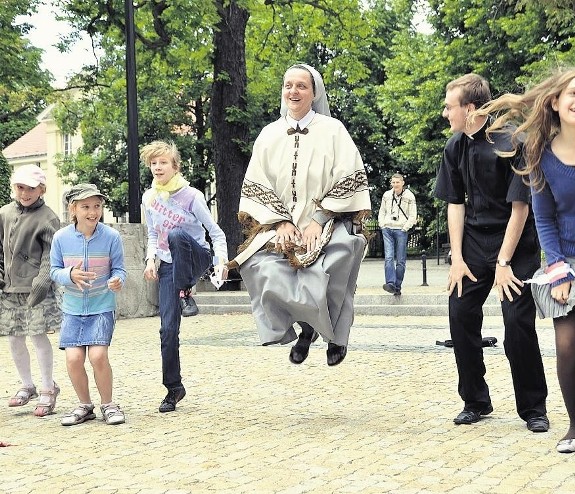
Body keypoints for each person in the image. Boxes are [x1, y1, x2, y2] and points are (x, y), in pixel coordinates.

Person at [476, 67, 575, 459]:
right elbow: (545, 218)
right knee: (566, 345)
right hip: (567, 263)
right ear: (555, 101)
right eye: (573, 93)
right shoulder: (541, 152)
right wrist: (557, 269)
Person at [228, 63, 371, 367]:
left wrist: (318, 221)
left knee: (340, 255)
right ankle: (305, 327)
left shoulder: (334, 130)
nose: (293, 91)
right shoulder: (268, 134)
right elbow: (257, 182)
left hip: (329, 217)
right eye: (288, 85)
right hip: (280, 221)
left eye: (301, 86)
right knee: (257, 265)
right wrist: (281, 222)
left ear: (314, 92)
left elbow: (351, 175)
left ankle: (335, 335)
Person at [434, 73, 549, 432]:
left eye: (449, 106)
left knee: (516, 325)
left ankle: (533, 408)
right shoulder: (454, 147)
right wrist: (457, 257)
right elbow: (455, 204)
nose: (444, 113)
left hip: (514, 246)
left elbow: (521, 209)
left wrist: (503, 262)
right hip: (472, 242)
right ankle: (475, 400)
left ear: (469, 109)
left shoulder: (512, 141)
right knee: (460, 314)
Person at [141, 140, 228, 413]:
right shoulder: (149, 197)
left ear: (174, 166)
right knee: (167, 330)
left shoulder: (192, 196)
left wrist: (221, 262)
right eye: (153, 163)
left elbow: (216, 232)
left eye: (163, 162)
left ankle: (186, 292)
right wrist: (150, 260)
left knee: (178, 235)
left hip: (195, 257)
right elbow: (154, 234)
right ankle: (174, 388)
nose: (157, 167)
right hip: (169, 265)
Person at [50, 184, 127, 426]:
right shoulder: (60, 238)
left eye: (97, 206)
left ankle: (108, 404)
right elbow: (53, 271)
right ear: (73, 209)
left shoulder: (111, 237)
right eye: (86, 207)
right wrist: (70, 275)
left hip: (102, 305)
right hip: (72, 309)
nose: (93, 212)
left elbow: (119, 269)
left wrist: (117, 280)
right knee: (73, 358)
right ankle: (85, 405)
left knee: (98, 355)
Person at [0, 165, 61, 417]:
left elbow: (51, 256)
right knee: (14, 339)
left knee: (37, 337)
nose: (25, 192)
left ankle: (48, 387)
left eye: (31, 188)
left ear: (42, 189)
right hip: (9, 289)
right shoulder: (3, 213)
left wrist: (41, 283)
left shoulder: (48, 218)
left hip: (36, 288)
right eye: (20, 187)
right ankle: (27, 385)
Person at [377, 174, 417, 296]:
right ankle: (390, 283)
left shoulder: (409, 196)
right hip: (388, 228)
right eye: (393, 182)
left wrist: (405, 227)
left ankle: (397, 286)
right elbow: (382, 211)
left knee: (400, 260)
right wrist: (382, 224)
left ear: (403, 183)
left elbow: (413, 215)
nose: (395, 185)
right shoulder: (386, 195)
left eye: (397, 182)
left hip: (401, 229)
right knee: (388, 257)